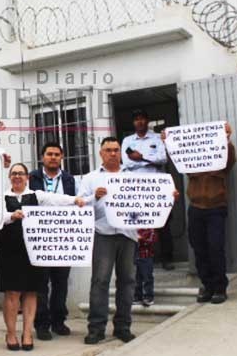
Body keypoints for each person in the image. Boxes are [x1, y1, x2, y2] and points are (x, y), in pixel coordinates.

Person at [81, 137, 177, 344]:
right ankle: (96, 329)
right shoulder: (90, 179)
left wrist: (168, 196)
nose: (113, 153)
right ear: (101, 153)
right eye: (108, 150)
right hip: (102, 233)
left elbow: (150, 200)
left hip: (128, 235)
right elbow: (79, 206)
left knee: (127, 282)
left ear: (120, 153)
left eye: (116, 150)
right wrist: (94, 198)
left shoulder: (134, 177)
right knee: (100, 281)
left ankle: (123, 327)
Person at [0, 162, 85, 351]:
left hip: (33, 251)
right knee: (12, 293)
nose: (17, 176)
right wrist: (12, 216)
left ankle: (28, 332)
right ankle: (11, 333)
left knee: (31, 291)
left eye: (21, 173)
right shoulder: (1, 197)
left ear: (27, 177)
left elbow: (57, 199)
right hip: (9, 251)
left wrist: (75, 200)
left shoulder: (36, 196)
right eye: (14, 173)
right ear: (9, 177)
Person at [166, 123, 236, 304]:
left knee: (215, 248)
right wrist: (169, 143)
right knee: (199, 249)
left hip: (216, 208)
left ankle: (220, 288)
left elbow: (230, 160)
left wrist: (226, 140)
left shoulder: (221, 161)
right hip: (196, 208)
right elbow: (178, 158)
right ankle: (207, 286)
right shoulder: (192, 163)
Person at [28, 142, 76, 340]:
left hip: (63, 237)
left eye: (57, 154)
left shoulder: (69, 179)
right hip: (40, 237)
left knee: (61, 282)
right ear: (42, 157)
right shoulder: (33, 178)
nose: (53, 157)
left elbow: (74, 203)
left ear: (62, 157)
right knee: (40, 284)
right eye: (49, 154)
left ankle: (58, 321)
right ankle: (42, 324)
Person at [122, 109, 174, 270]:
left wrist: (141, 157)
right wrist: (149, 160)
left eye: (142, 119)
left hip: (157, 188)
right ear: (133, 123)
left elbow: (163, 159)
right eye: (136, 119)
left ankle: (167, 258)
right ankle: (143, 259)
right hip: (137, 189)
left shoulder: (157, 138)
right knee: (139, 224)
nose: (140, 122)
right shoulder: (127, 141)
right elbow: (127, 163)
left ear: (147, 121)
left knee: (162, 223)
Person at [133, 228, 158, 307]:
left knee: (147, 277)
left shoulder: (150, 228)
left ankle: (148, 297)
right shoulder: (133, 228)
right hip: (135, 256)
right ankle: (137, 297)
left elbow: (152, 239)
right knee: (137, 278)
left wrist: (141, 239)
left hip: (146, 256)